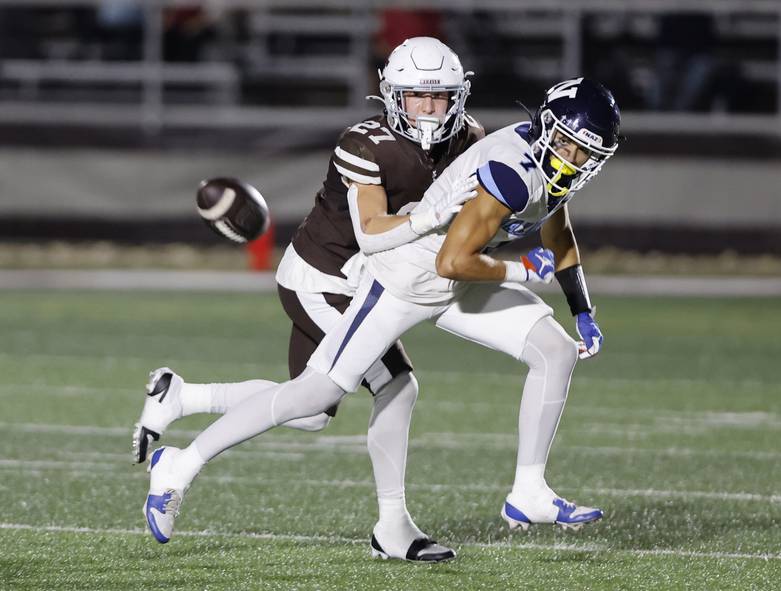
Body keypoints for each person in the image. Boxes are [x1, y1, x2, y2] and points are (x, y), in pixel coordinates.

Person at [141, 76, 620, 561]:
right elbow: (450, 262)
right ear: (545, 127)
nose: (571, 159)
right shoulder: (510, 171)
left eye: (584, 154)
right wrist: (523, 270)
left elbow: (558, 232)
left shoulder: (549, 167)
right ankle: (179, 465)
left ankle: (528, 492)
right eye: (565, 144)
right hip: (406, 277)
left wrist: (582, 309)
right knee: (315, 397)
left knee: (555, 350)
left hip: (454, 280)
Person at [133, 37, 484, 562]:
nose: (430, 109)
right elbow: (370, 230)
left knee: (310, 412)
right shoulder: (364, 144)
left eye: (440, 97)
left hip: (365, 284)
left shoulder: (470, 139)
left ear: (459, 96)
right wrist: (435, 220)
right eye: (416, 97)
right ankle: (390, 526)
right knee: (397, 387)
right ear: (392, 96)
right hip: (328, 280)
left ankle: (183, 398)